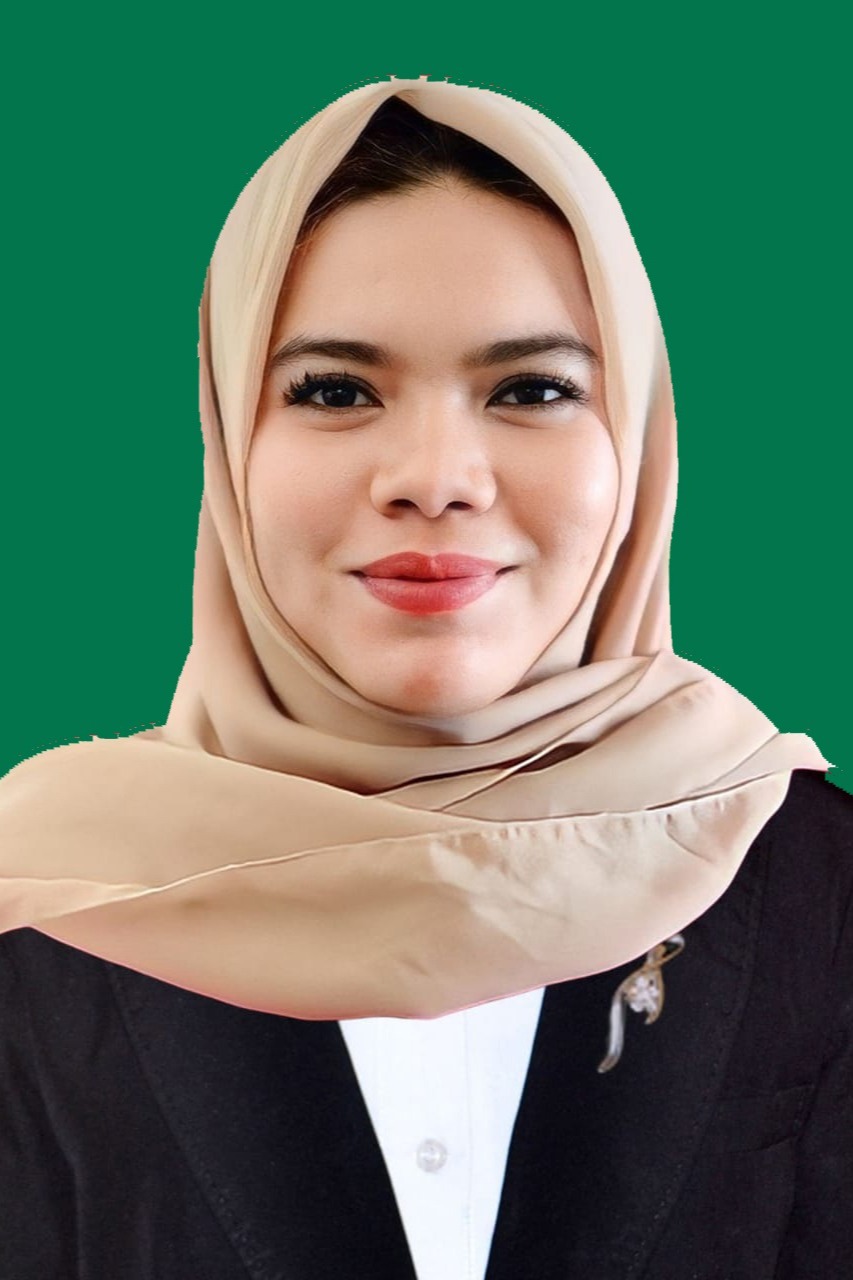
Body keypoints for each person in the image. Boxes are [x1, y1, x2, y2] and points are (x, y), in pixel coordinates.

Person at [0, 75, 850, 1280]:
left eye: (532, 389)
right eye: (335, 391)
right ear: (227, 441)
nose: (436, 476)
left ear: (638, 441)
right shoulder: (40, 907)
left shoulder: (818, 887)